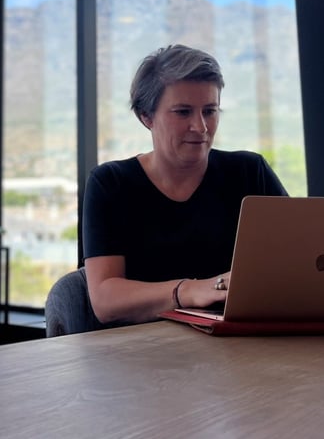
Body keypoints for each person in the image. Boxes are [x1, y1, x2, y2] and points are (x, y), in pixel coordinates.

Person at [83, 44, 289, 325]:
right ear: (146, 117)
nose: (201, 127)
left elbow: (298, 260)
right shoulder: (111, 184)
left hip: (240, 343)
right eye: (183, 112)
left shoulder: (250, 172)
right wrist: (188, 290)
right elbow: (105, 301)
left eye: (209, 111)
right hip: (143, 351)